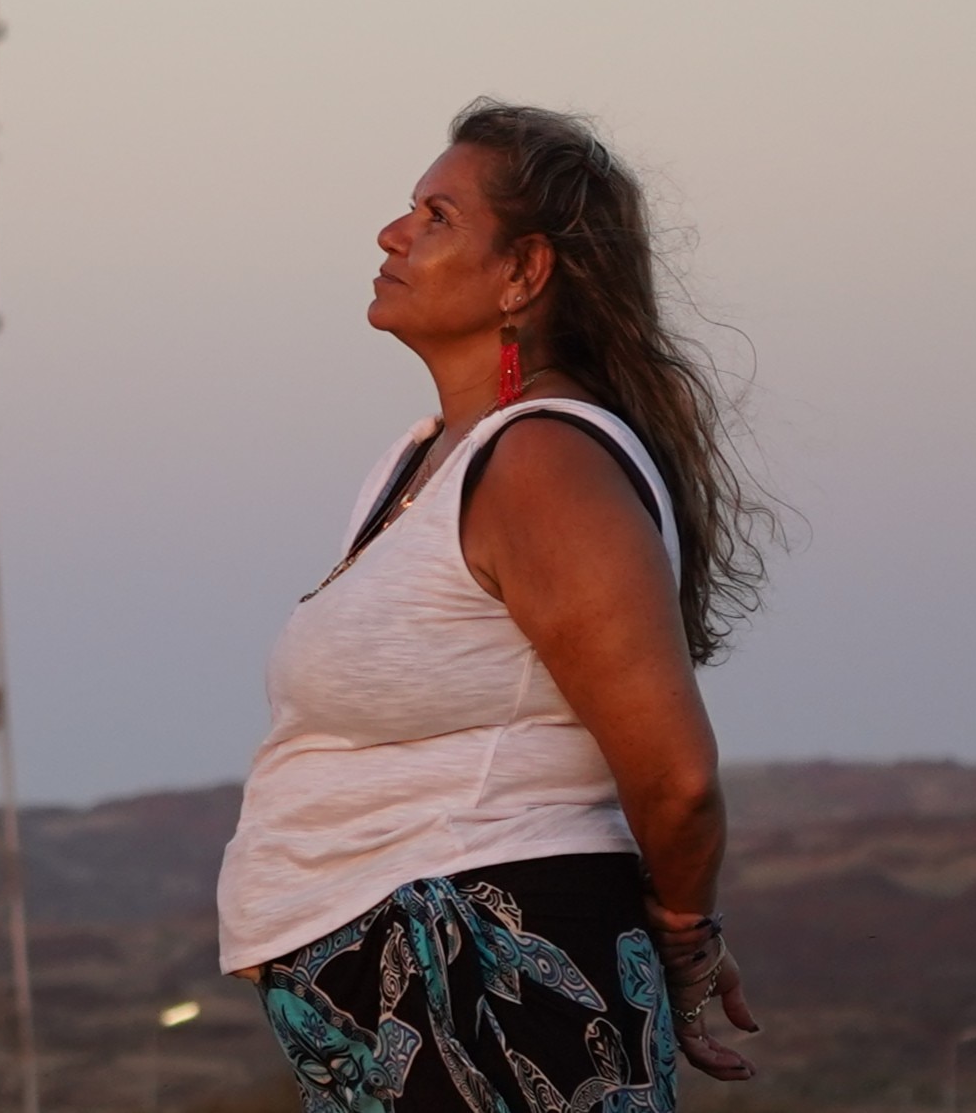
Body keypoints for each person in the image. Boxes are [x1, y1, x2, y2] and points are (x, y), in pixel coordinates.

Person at [216, 101, 771, 1112]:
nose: (392, 233)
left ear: (523, 272)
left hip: (492, 984)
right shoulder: (423, 458)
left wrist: (685, 934)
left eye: (436, 215)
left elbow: (677, 776)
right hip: (398, 1001)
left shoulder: (542, 463)